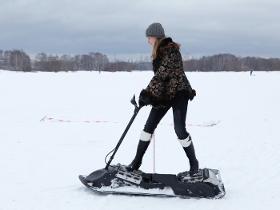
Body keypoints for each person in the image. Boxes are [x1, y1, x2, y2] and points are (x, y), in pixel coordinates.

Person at [127, 23, 199, 176]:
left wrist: (147, 93)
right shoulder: (158, 53)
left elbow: (161, 75)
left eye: (149, 37)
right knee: (148, 127)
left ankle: (194, 163)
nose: (148, 41)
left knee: (179, 129)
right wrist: (149, 95)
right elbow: (161, 80)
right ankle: (136, 161)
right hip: (165, 95)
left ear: (156, 37)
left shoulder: (171, 51)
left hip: (179, 93)